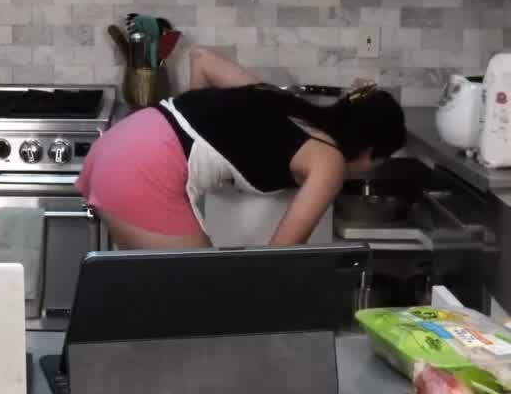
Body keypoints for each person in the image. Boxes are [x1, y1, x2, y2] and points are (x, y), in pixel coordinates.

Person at [76, 45, 406, 250]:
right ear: (370, 151)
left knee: (158, 295)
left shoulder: (282, 103)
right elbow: (279, 256)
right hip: (142, 172)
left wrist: (210, 140)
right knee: (202, 300)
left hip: (117, 142)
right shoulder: (329, 163)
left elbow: (201, 58)